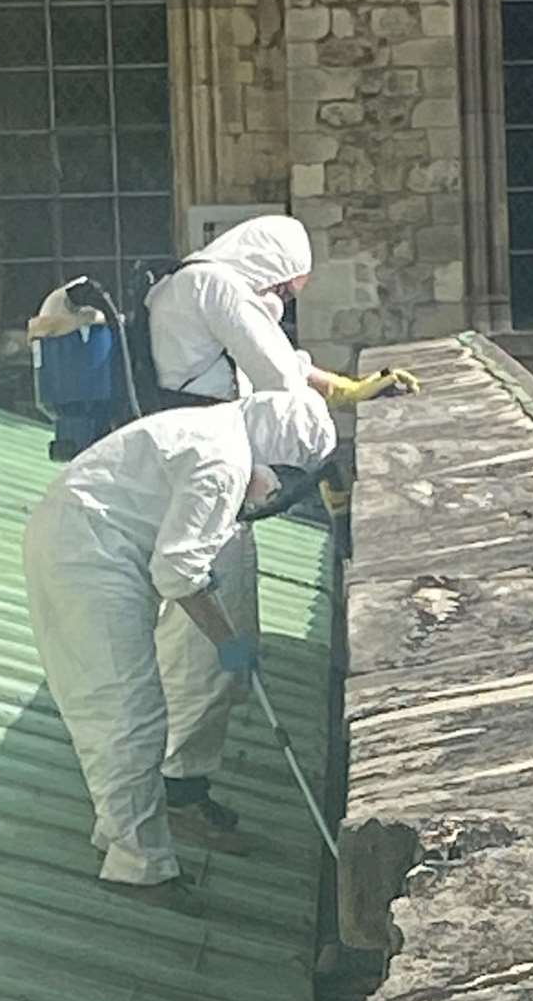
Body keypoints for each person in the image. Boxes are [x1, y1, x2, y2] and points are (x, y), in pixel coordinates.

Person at [143, 215, 417, 846]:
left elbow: (273, 360)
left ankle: (176, 779)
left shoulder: (197, 284)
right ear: (267, 267)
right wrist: (325, 460)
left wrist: (344, 388)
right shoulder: (218, 288)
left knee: (209, 635)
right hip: (203, 470)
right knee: (211, 640)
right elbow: (279, 381)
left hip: (195, 461)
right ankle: (179, 791)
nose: (285, 302)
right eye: (288, 291)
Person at [23, 390, 336, 915]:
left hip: (89, 540)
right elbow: (177, 572)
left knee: (125, 709)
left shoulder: (219, 429)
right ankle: (136, 869)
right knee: (126, 711)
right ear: (276, 451)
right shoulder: (224, 463)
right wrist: (228, 641)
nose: (273, 492)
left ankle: (123, 834)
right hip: (88, 553)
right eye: (281, 477)